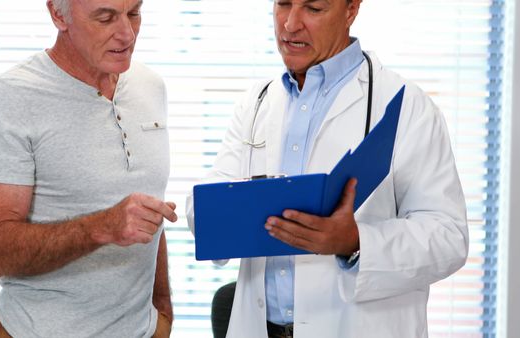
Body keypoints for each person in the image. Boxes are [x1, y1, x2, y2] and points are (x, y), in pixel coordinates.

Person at [186, 0, 469, 337]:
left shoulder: (408, 106)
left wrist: (355, 241)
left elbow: (448, 237)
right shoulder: (257, 102)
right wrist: (208, 213)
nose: (290, 24)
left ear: (351, 9)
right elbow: (207, 205)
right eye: (283, 4)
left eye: (313, 8)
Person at [0, 0, 177, 337]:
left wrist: (162, 310)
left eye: (134, 13)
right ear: (57, 14)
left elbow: (146, 213)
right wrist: (100, 228)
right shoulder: (9, 98)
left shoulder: (149, 86)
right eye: (105, 17)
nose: (126, 33)